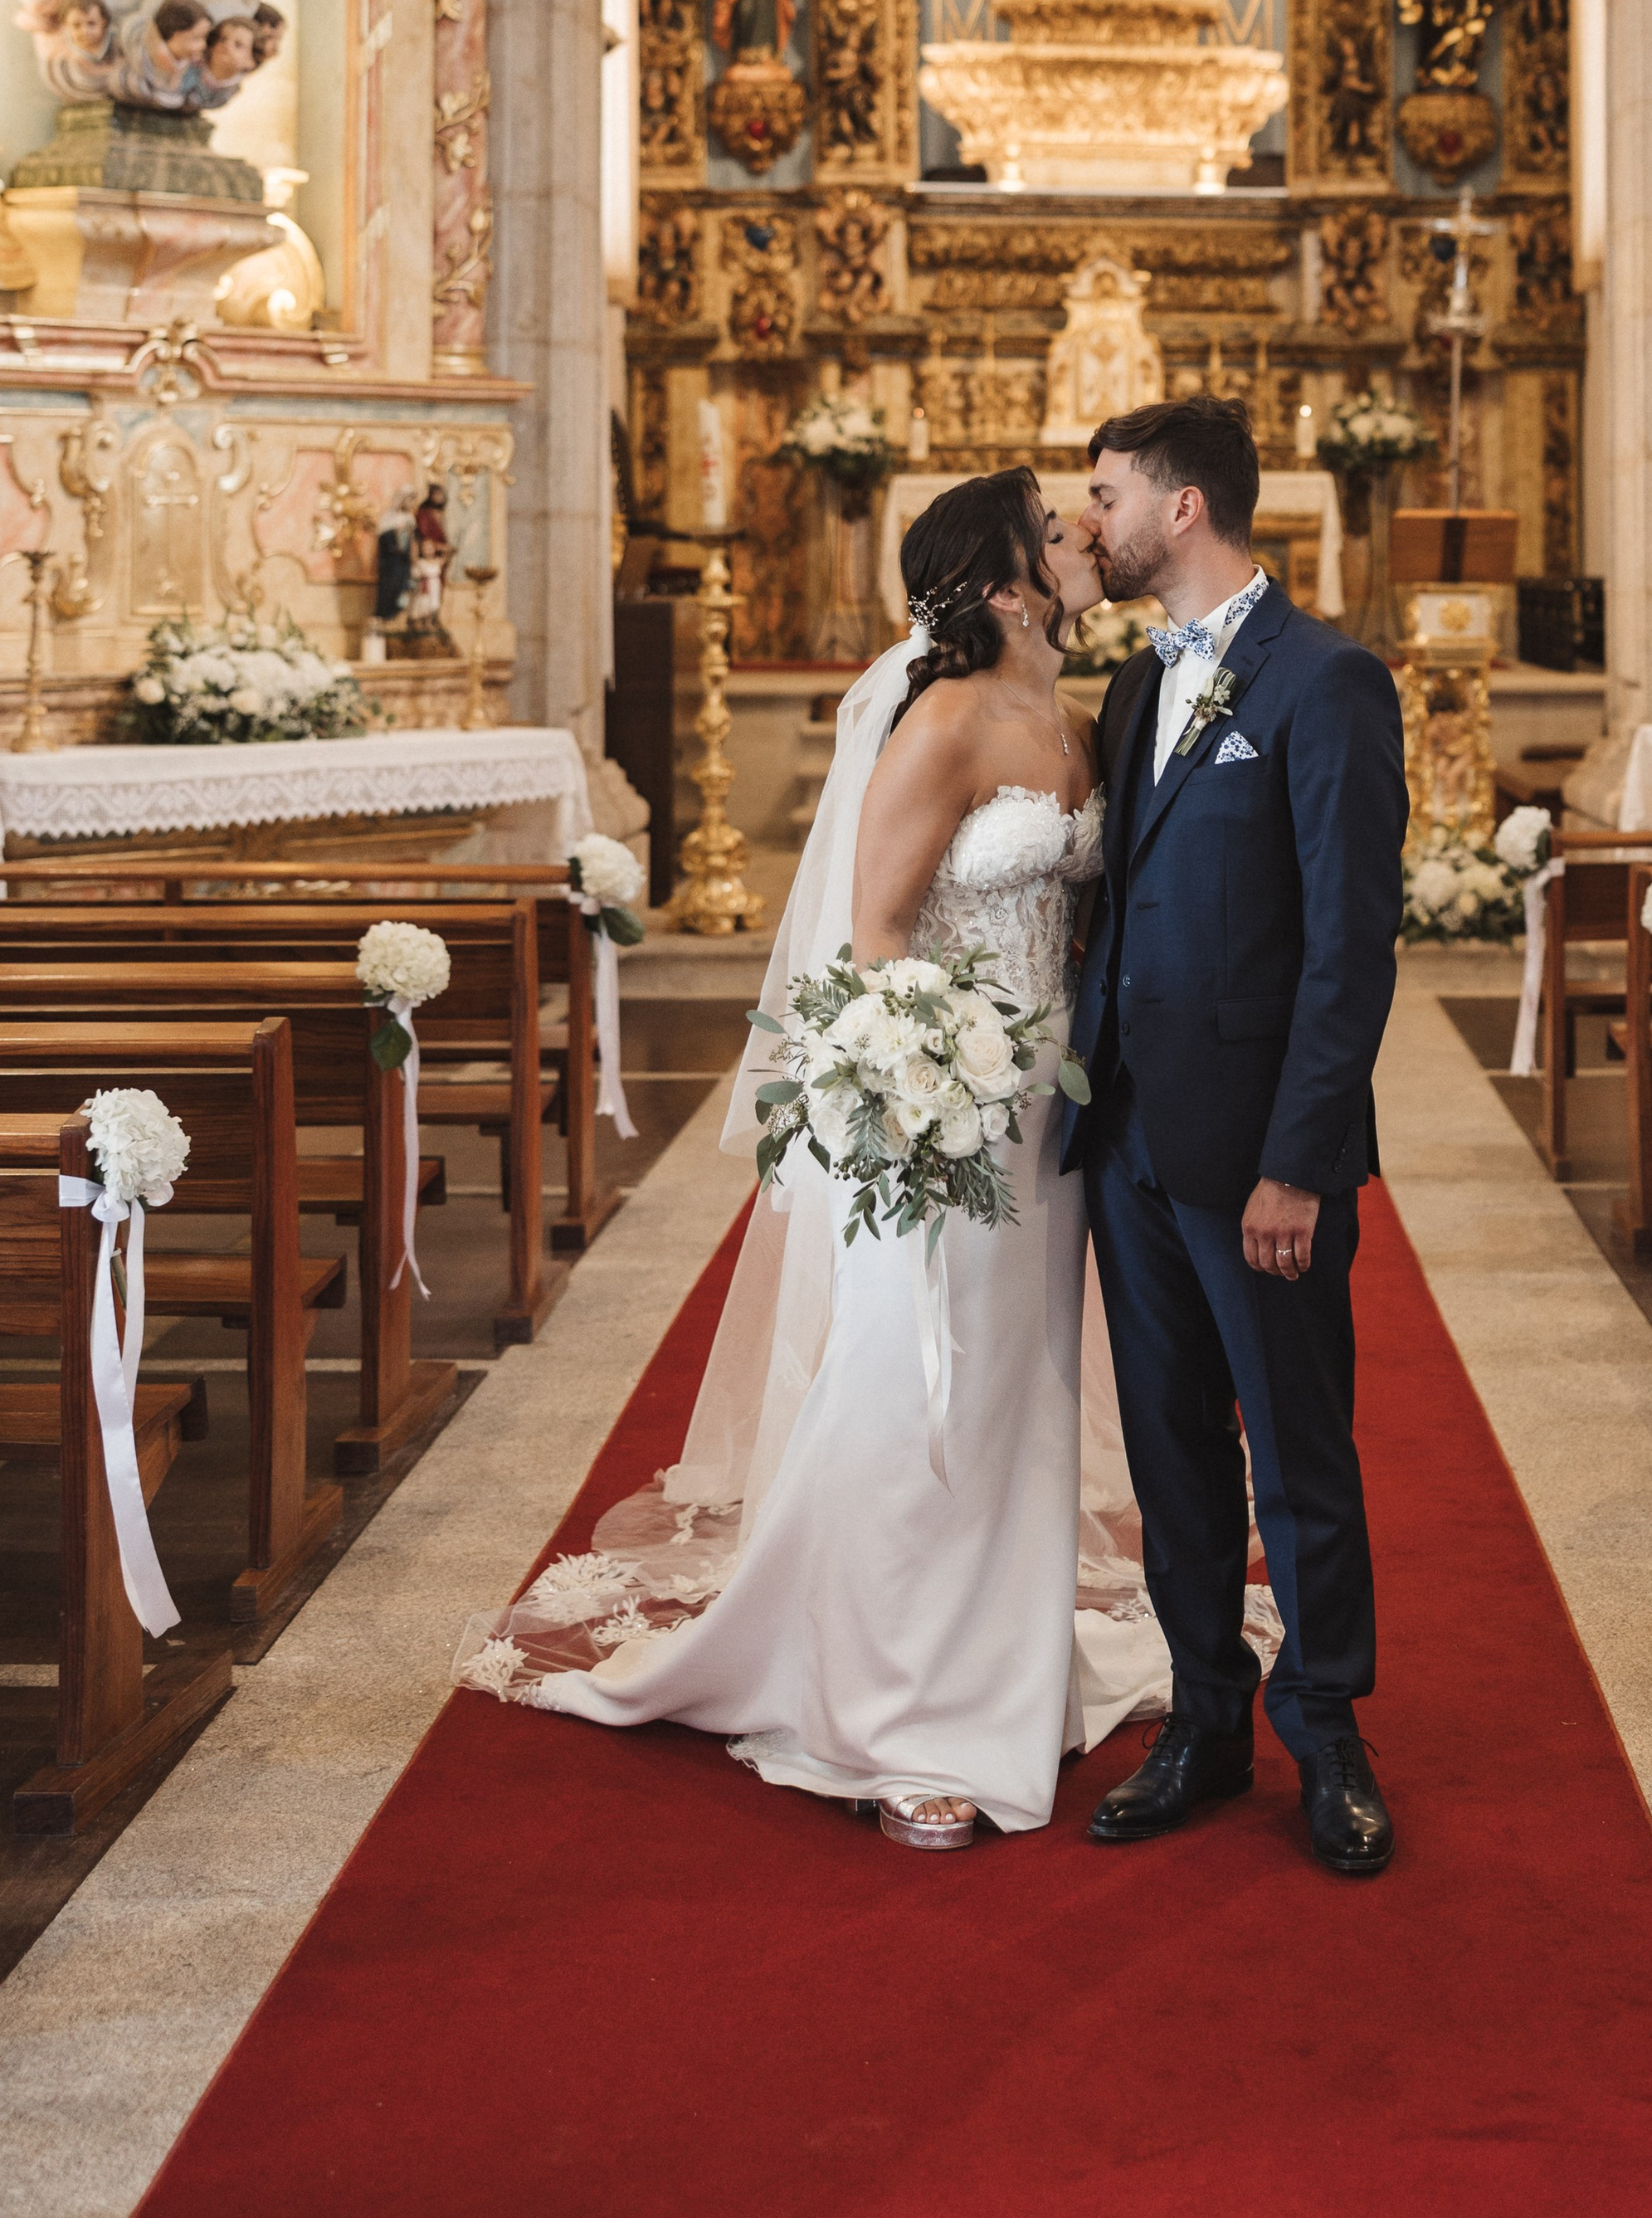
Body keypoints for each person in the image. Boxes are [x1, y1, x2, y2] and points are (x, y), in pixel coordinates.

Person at [454, 470, 1180, 1840]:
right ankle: (899, 1711)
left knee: (1018, 1395)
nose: (1088, 538)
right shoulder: (947, 719)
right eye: (1061, 530)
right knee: (917, 1390)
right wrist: (927, 1083)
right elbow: (876, 937)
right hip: (939, 1116)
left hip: (1047, 1120)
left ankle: (1003, 1661)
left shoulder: (1073, 719)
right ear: (1013, 581)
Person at [1065, 392, 1408, 1876]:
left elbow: (1351, 944)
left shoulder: (1325, 682)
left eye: (1105, 497)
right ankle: (1205, 1714)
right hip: (1134, 1134)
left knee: (1297, 1444)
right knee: (1170, 1449)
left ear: (1182, 507)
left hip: (1259, 1150)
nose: (1092, 525)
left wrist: (1300, 1159)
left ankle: (1325, 1725)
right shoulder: (1140, 689)